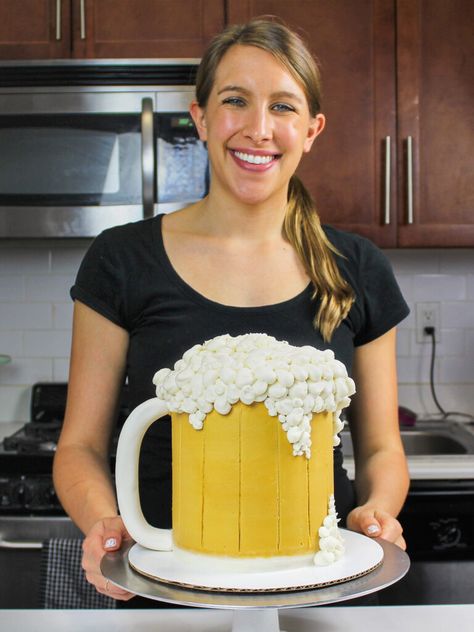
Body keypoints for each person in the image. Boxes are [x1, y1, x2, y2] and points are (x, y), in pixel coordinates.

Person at [53, 18, 410, 603]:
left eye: (283, 107)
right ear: (200, 118)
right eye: (235, 100)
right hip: (165, 583)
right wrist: (105, 524)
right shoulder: (120, 260)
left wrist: (376, 510)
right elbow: (80, 449)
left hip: (317, 582)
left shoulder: (358, 267)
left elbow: (380, 450)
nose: (258, 128)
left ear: (312, 129)